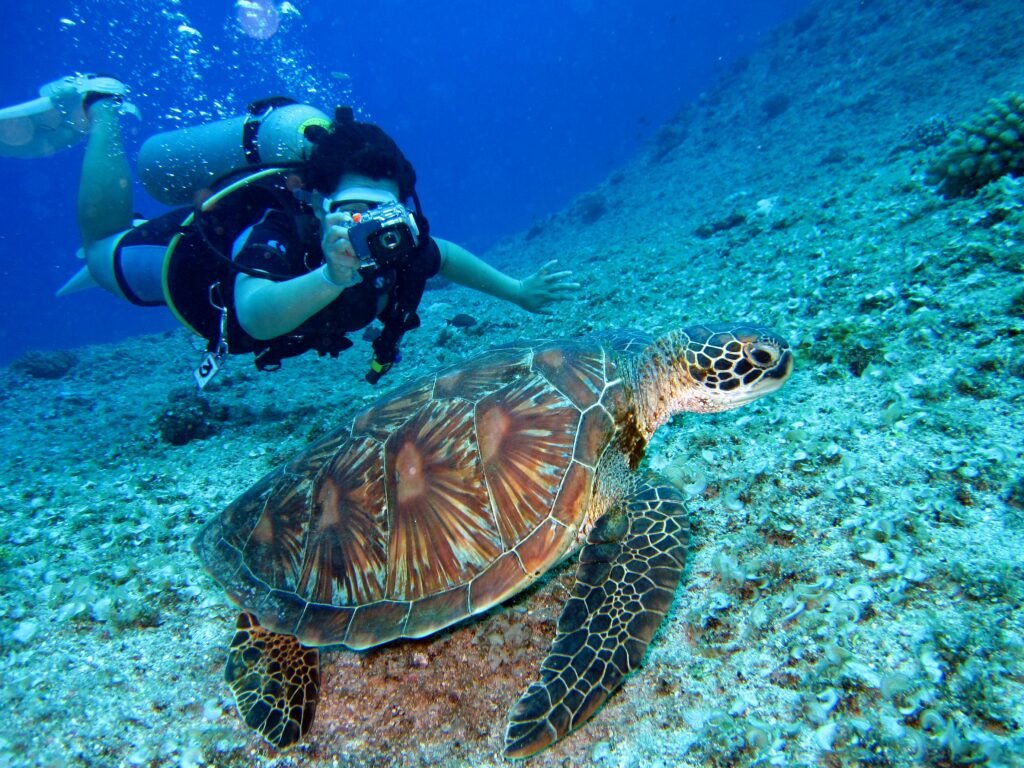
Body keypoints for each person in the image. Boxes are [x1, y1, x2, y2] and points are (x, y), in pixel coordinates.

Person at [1, 74, 578, 384]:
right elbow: (253, 313)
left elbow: (443, 255)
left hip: (258, 268)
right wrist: (330, 276)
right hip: (185, 265)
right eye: (351, 209)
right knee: (99, 252)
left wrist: (519, 291)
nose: (368, 225)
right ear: (312, 197)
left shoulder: (395, 242)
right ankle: (100, 107)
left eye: (385, 210)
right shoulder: (280, 226)